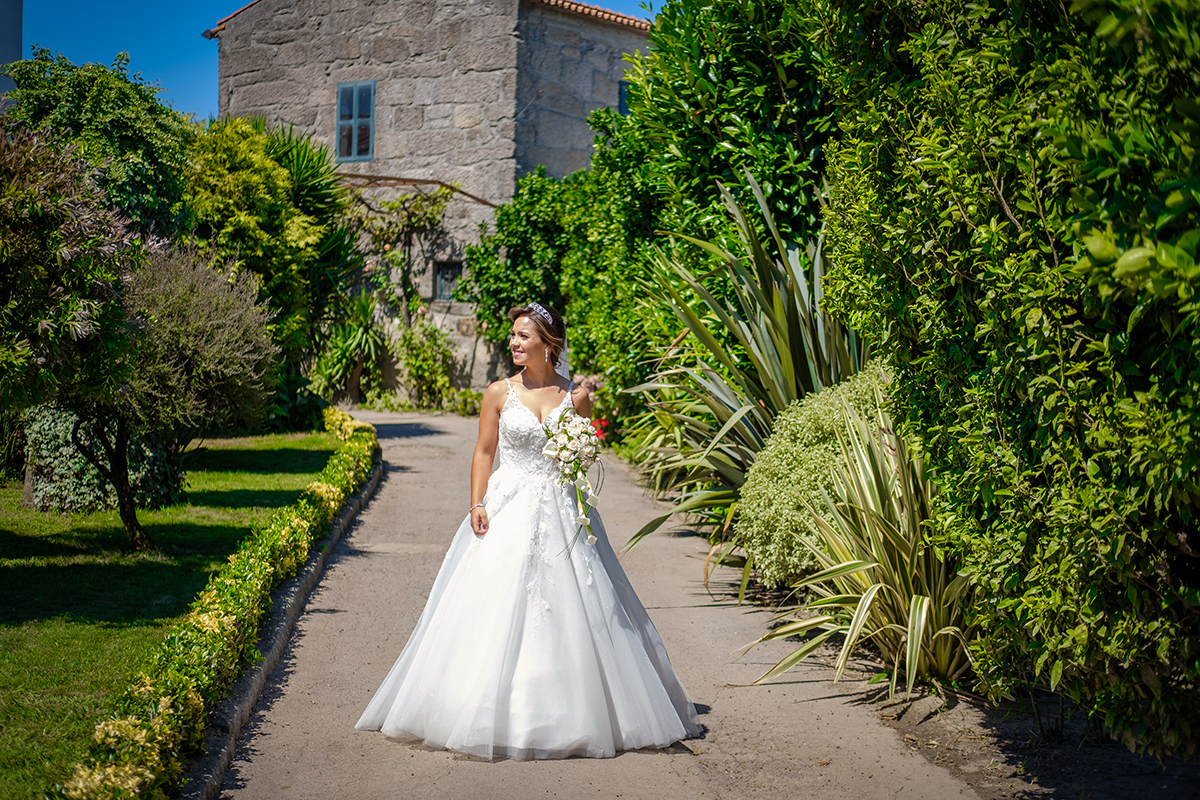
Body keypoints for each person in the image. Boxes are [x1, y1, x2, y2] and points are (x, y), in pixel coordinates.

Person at [355, 302, 700, 759]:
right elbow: (483, 451)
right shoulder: (499, 392)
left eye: (523, 336)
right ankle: (479, 706)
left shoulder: (575, 396)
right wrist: (476, 502)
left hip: (563, 509)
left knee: (578, 606)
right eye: (513, 335)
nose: (514, 343)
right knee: (496, 603)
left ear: (548, 344)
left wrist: (577, 459)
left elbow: (584, 451)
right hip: (508, 504)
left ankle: (577, 708)